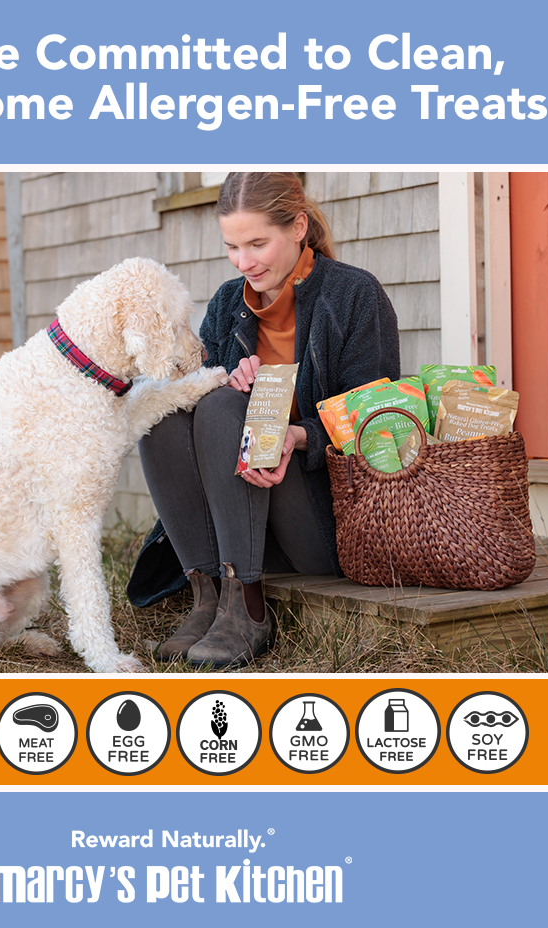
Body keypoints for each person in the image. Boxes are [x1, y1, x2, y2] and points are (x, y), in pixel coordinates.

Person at [126, 172, 401, 668]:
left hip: (321, 523)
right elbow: (193, 410)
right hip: (237, 518)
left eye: (257, 243)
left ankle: (249, 608)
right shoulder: (232, 302)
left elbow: (378, 425)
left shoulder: (354, 297)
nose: (244, 261)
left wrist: (298, 436)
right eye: (232, 246)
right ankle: (210, 597)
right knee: (167, 410)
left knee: (224, 408)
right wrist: (227, 378)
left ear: (298, 227)